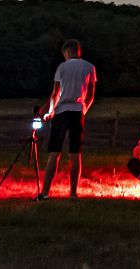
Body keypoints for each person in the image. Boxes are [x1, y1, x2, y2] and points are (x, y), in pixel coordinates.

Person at [37, 39, 97, 200]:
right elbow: (91, 94)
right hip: (77, 112)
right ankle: (73, 193)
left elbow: (55, 93)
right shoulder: (90, 67)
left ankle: (45, 193)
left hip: (61, 112)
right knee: (75, 154)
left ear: (67, 51)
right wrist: (84, 109)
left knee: (54, 153)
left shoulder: (62, 67)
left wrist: (49, 112)